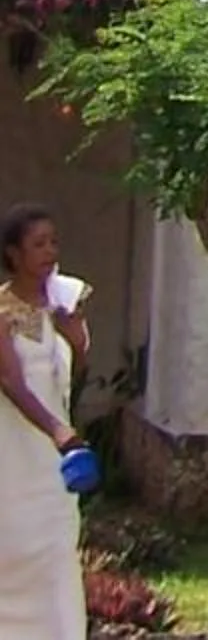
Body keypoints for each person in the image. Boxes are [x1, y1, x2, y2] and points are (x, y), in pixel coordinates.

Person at [0, 203, 86, 640]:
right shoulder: (0, 310)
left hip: (55, 465)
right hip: (14, 455)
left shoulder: (65, 301)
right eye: (38, 244)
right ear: (14, 254)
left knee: (56, 555)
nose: (50, 251)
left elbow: (76, 378)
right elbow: (10, 380)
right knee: (15, 554)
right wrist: (56, 431)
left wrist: (75, 337)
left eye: (53, 242)